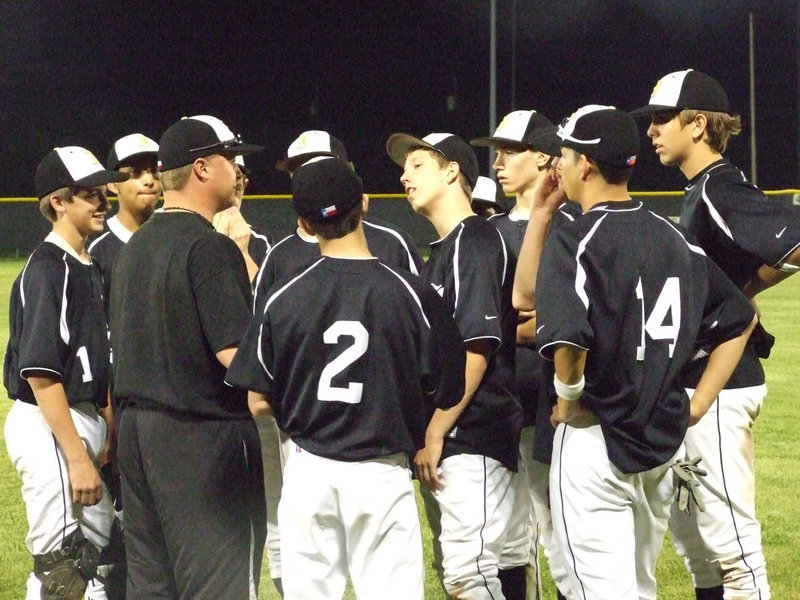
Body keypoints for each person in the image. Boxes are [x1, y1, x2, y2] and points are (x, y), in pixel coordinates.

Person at [528, 104, 757, 599]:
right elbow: (739, 320)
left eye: (564, 155)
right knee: (639, 587)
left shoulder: (579, 236)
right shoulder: (673, 236)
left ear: (585, 165)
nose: (558, 165)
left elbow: (567, 340)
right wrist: (697, 404)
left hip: (594, 436)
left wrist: (567, 398)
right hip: (660, 439)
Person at [226, 156, 465, 600]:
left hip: (308, 469)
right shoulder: (410, 293)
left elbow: (257, 401)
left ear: (306, 223)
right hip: (381, 472)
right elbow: (447, 389)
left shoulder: (283, 296)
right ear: (366, 204)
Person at [634, 69, 800, 600]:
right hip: (704, 383)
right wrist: (742, 287)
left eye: (663, 119)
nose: (652, 130)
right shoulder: (700, 189)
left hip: (724, 387)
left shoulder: (719, 186)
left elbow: (795, 240)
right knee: (701, 550)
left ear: (698, 123)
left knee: (732, 551)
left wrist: (743, 292)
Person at [109, 115, 267, 599]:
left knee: (154, 587)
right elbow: (235, 354)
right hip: (199, 440)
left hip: (138, 438)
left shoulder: (134, 246)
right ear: (202, 168)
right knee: (217, 587)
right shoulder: (209, 245)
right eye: (229, 157)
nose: (238, 170)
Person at [387, 131, 524, 599]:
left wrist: (435, 430)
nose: (405, 176)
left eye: (418, 165)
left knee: (469, 572)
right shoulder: (444, 249)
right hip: (458, 438)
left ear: (452, 172)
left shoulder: (475, 240)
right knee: (476, 567)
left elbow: (478, 348)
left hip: (475, 434)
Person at [4, 146, 129, 600]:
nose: (104, 202)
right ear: (58, 202)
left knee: (99, 556)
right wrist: (77, 455)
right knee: (62, 566)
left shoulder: (87, 266)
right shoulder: (48, 270)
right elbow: (40, 373)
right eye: (90, 194)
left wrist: (106, 435)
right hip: (51, 426)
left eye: (103, 193)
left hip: (80, 423)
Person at [472, 109, 579, 600]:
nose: (498, 161)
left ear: (543, 157)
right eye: (496, 151)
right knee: (507, 535)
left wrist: (511, 326)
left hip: (545, 402)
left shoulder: (565, 223)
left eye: (510, 150)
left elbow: (558, 320)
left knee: (559, 525)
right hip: (497, 402)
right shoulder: (487, 229)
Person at [88, 133, 161, 311]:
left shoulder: (175, 236)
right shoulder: (95, 248)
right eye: (136, 173)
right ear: (113, 184)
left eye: (154, 171)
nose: (149, 180)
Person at [213, 154, 273, 281]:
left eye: (237, 185)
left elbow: (267, 296)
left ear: (244, 185)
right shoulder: (189, 233)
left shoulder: (260, 240)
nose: (234, 178)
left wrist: (243, 254)